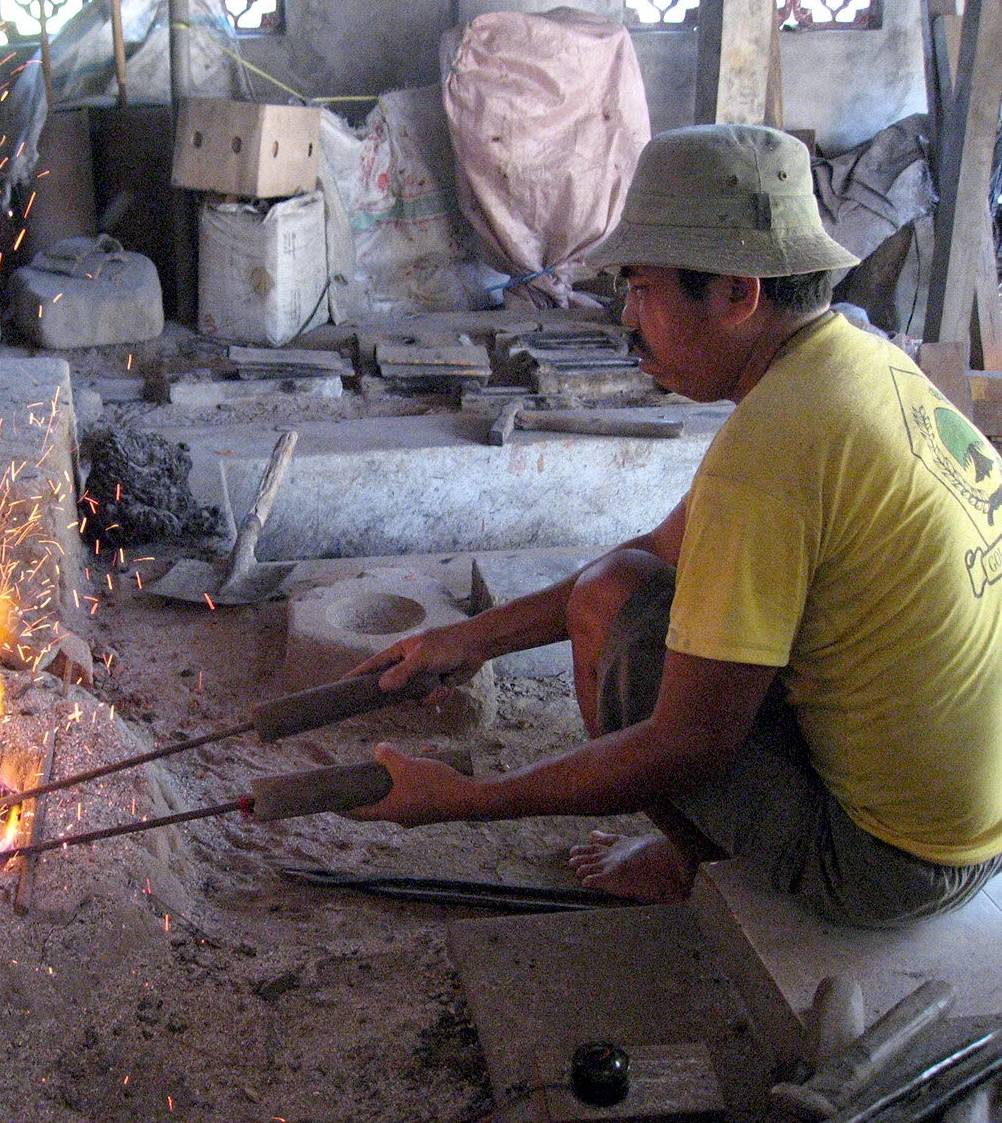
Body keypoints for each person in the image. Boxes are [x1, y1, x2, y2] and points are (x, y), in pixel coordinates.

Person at [345, 123, 1002, 928]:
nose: (628, 316)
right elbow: (658, 550)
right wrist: (467, 639)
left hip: (885, 865)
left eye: (645, 289)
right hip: (972, 829)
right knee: (613, 588)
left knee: (624, 626)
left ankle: (697, 861)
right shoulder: (861, 360)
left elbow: (690, 746)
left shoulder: (768, 453)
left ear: (737, 293)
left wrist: (463, 800)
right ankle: (705, 849)